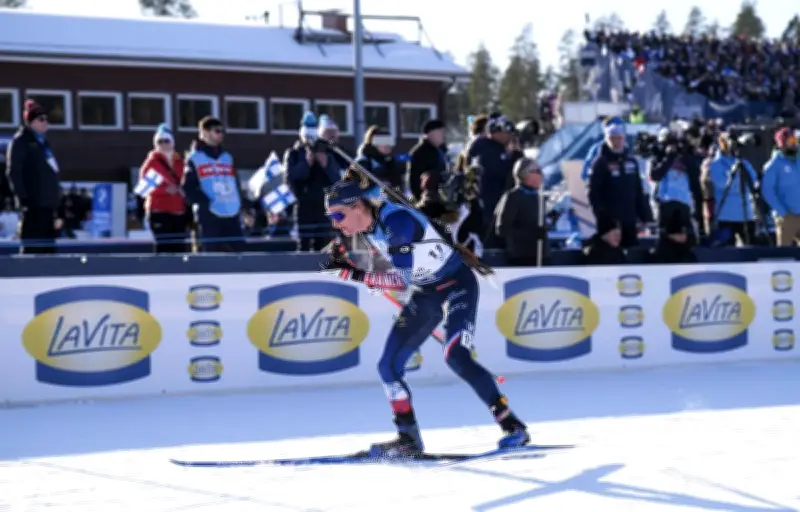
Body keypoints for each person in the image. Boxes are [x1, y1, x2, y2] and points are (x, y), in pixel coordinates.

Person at [320, 178, 529, 458]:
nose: (336, 223)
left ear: (358, 206)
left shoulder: (398, 224)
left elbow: (399, 280)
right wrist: (358, 270)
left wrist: (355, 274)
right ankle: (408, 438)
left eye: (338, 215)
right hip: (426, 292)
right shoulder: (369, 226)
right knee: (388, 367)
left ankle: (512, 425)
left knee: (456, 355)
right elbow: (393, 272)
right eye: (331, 217)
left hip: (457, 285)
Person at [6, 99, 62, 254]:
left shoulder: (44, 144)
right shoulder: (21, 142)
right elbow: (14, 172)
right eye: (41, 119)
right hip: (33, 205)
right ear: (30, 122)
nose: (46, 123)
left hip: (47, 205)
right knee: (32, 247)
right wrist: (23, 199)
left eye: (46, 119)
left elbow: (52, 170)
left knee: (48, 248)